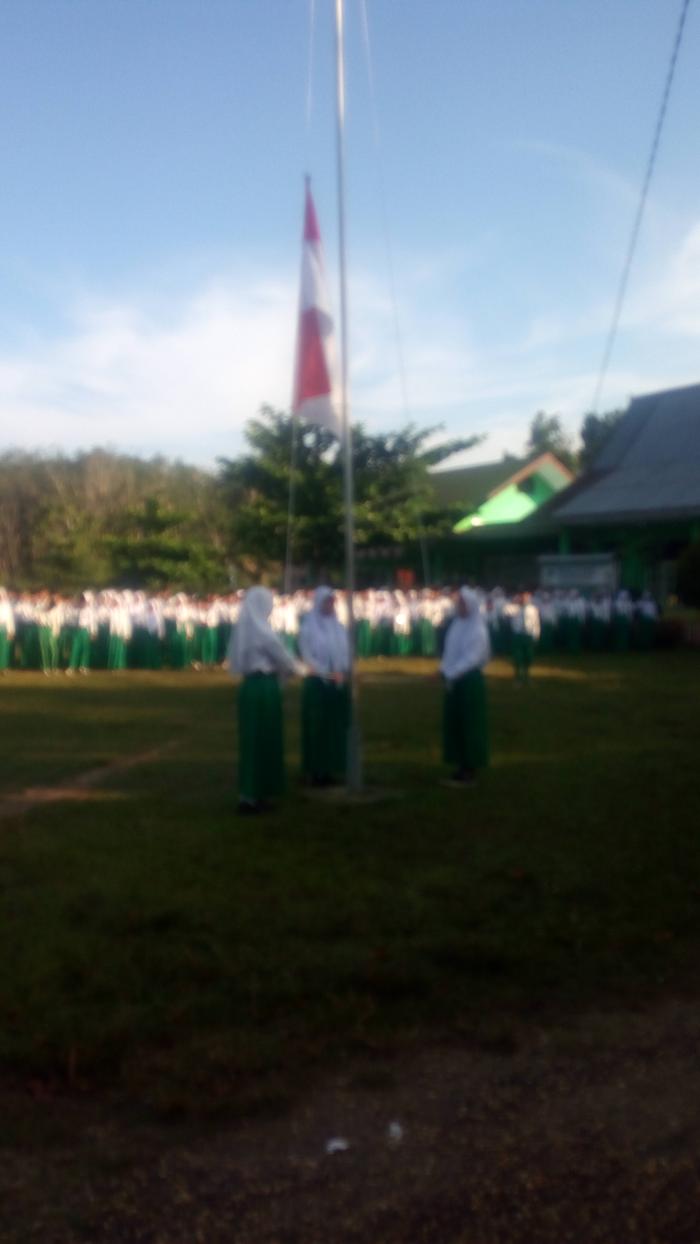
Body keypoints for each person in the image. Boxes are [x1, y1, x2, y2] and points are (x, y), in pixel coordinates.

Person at [227, 586, 304, 815]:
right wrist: (301, 670)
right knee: (263, 739)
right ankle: (253, 795)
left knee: (254, 740)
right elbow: (282, 656)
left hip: (250, 686)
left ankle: (254, 792)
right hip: (264, 687)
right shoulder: (262, 631)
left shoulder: (244, 629)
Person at [298, 586, 351, 787]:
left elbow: (345, 651)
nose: (330, 605)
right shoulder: (308, 627)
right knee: (317, 727)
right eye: (327, 602)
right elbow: (307, 655)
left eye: (332, 602)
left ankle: (332, 766)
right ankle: (316, 769)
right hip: (317, 682)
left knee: (334, 726)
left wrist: (342, 670)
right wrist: (325, 673)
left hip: (337, 683)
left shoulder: (338, 626)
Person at [440, 587, 491, 785]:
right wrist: (444, 669)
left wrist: (448, 673)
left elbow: (472, 659)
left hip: (469, 682)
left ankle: (470, 766)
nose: (458, 607)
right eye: (458, 603)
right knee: (456, 723)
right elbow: (450, 652)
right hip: (455, 680)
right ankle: (460, 763)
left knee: (470, 724)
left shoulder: (477, 629)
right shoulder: (457, 625)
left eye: (462, 603)